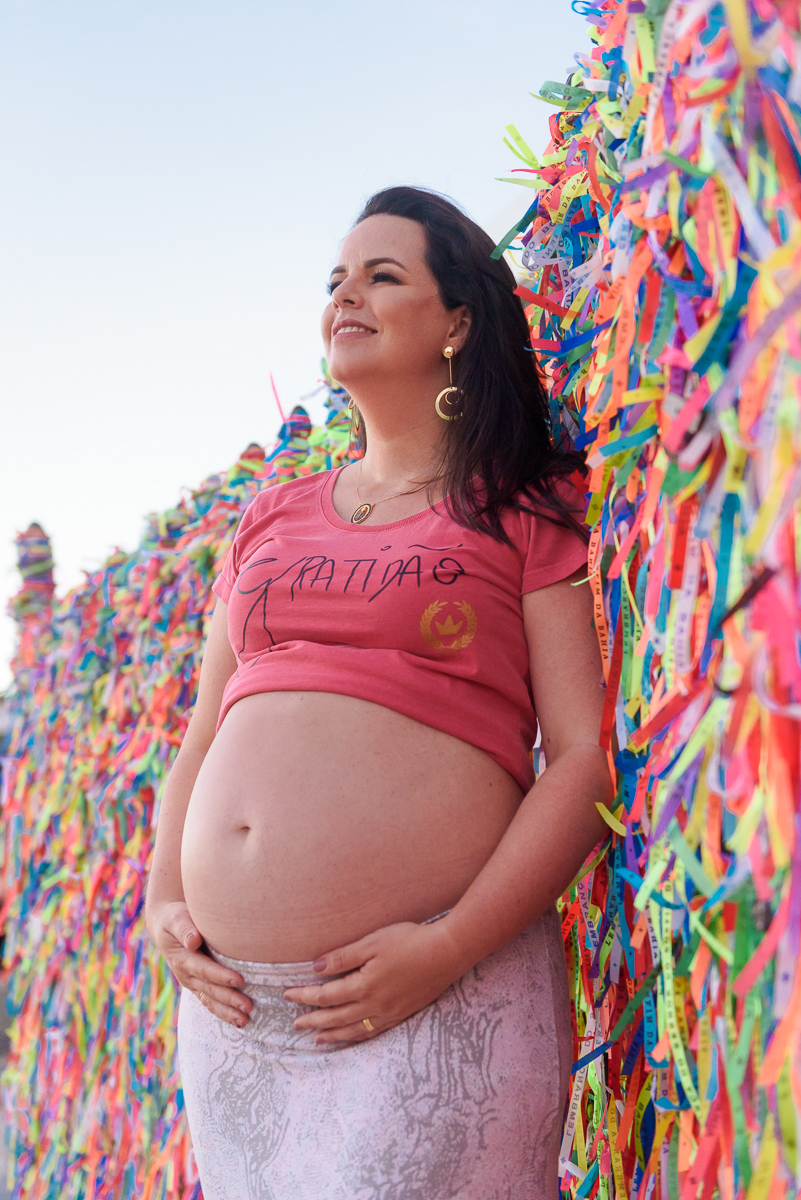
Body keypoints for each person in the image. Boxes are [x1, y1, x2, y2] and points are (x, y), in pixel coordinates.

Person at [145, 185, 612, 1200]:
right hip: (238, 1023)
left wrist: (445, 947)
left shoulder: (525, 507)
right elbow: (203, 735)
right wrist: (165, 900)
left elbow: (584, 760)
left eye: (382, 275)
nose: (344, 295)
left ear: (458, 323)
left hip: (436, 995)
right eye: (336, 280)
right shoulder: (270, 519)